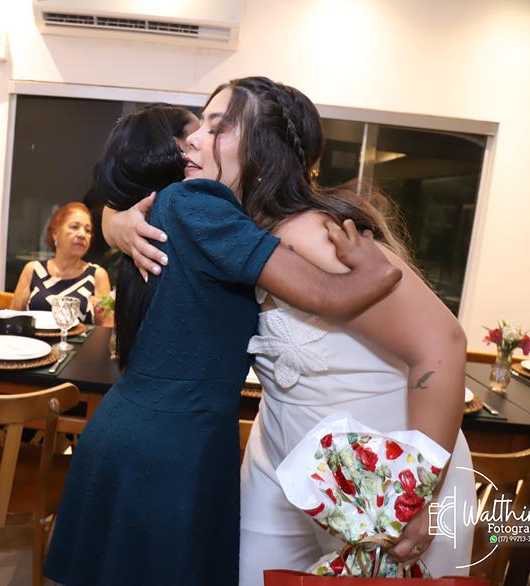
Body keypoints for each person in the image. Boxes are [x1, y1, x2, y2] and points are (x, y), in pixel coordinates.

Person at [107, 78, 475, 581]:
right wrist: (116, 224)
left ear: (263, 149)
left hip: (387, 476)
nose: (192, 138)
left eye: (216, 127)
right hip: (282, 465)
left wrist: (420, 494)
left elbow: (443, 344)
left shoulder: (313, 234)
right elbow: (121, 190)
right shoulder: (233, 236)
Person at [42, 100, 402, 585]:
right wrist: (379, 268)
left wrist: (113, 219)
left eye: (215, 130)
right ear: (176, 154)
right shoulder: (195, 204)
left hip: (145, 430)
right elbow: (329, 295)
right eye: (197, 132)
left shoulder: (166, 211)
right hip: (171, 445)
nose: (200, 141)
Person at [9, 202, 113, 325]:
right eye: (74, 227)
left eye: (87, 230)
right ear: (55, 233)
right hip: (34, 337)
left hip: (78, 338)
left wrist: (100, 312)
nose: (82, 234)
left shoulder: (97, 275)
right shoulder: (33, 269)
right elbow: (13, 318)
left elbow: (106, 325)